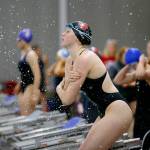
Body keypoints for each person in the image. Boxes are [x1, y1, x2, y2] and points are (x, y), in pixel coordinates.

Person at [56, 21, 132, 150]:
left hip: (118, 111)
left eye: (67, 31)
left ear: (78, 37)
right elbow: (66, 94)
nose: (63, 33)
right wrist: (64, 84)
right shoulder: (70, 60)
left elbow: (67, 99)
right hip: (105, 111)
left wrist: (60, 86)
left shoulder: (84, 58)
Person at [114, 47, 150, 140]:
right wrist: (128, 65)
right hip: (141, 116)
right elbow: (117, 80)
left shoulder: (147, 71)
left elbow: (140, 74)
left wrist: (141, 61)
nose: (134, 67)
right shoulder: (138, 72)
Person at [14, 29, 41, 115]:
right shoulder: (23, 53)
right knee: (22, 115)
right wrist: (19, 84)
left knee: (27, 115)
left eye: (19, 40)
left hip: (30, 87)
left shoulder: (31, 54)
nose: (17, 42)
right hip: (23, 86)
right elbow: (24, 72)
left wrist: (35, 93)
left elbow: (37, 75)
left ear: (24, 41)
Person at [32, 44, 47, 112]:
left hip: (41, 79)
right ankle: (37, 111)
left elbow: (44, 69)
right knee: (38, 96)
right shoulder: (33, 59)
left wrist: (46, 78)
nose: (39, 52)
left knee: (42, 97)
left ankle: (44, 111)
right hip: (36, 79)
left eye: (39, 50)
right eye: (38, 50)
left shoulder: (41, 58)